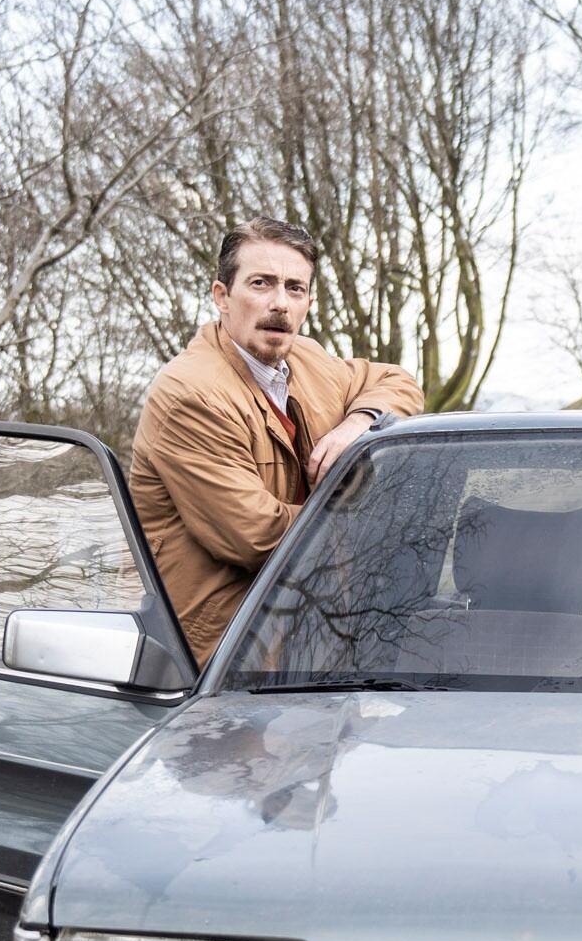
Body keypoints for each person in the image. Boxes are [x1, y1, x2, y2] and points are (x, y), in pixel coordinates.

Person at [130, 219, 423, 660]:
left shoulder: (306, 358)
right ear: (222, 297)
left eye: (295, 288)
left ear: (309, 301)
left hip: (314, 636)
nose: (280, 304)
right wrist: (376, 524)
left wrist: (357, 423)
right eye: (261, 284)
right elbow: (256, 537)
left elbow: (399, 382)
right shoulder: (190, 395)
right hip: (220, 658)